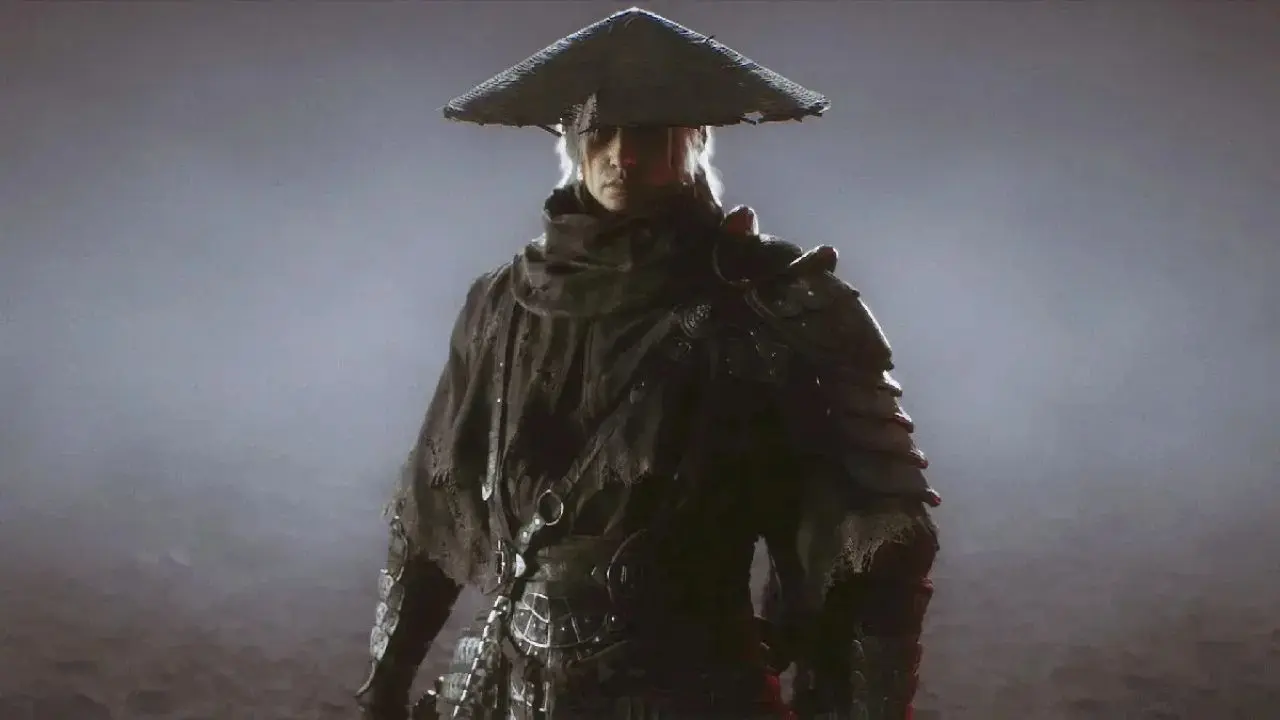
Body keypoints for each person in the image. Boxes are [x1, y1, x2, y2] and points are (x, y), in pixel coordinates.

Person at [354, 8, 941, 720]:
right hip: (504, 686)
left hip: (689, 688)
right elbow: (429, 506)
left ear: (694, 139)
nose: (622, 157)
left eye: (647, 135)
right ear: (572, 141)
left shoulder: (773, 305)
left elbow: (876, 544)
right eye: (600, 134)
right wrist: (384, 685)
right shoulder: (502, 306)